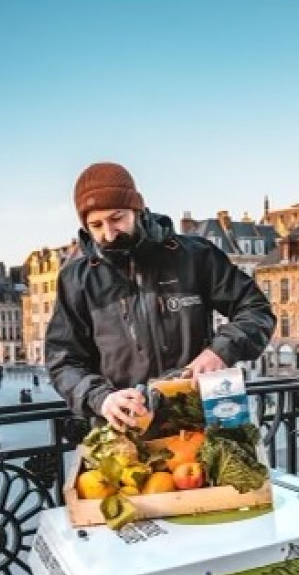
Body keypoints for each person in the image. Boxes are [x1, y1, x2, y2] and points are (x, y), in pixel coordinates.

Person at [45, 162, 276, 431]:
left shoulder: (194, 256)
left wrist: (221, 351)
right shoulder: (76, 278)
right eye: (96, 225)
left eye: (117, 218)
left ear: (137, 210)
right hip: (127, 426)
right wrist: (101, 398)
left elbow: (257, 310)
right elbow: (63, 359)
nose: (108, 233)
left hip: (202, 417)